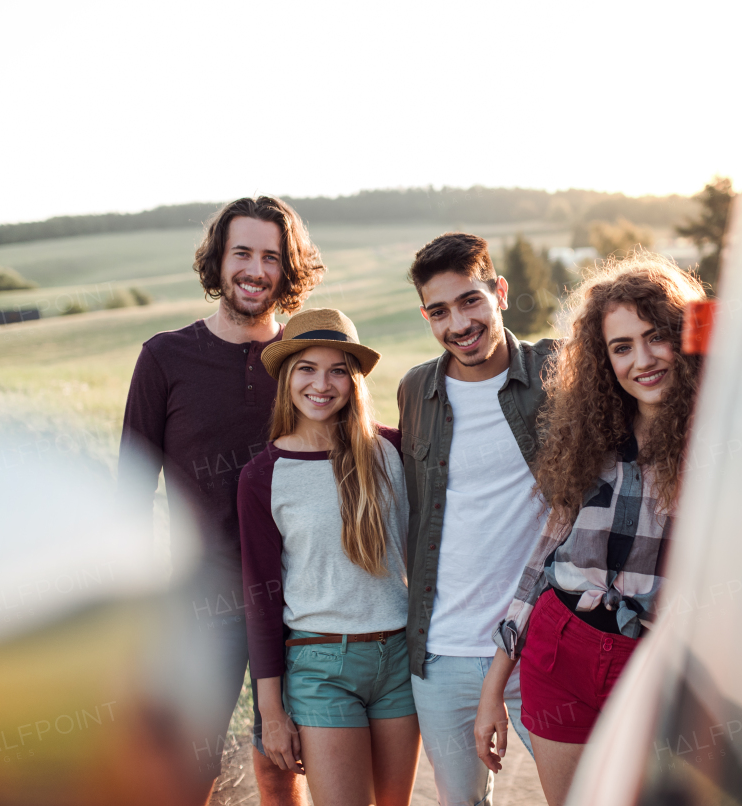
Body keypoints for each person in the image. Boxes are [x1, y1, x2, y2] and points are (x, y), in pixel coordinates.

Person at [474, 252, 706, 805]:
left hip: (654, 667)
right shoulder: (592, 436)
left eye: (656, 338)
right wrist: (492, 689)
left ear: (684, 338)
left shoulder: (724, 438)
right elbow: (543, 557)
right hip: (559, 655)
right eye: (621, 347)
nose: (642, 360)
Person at [119, 196, 323, 805]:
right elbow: (130, 492)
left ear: (288, 270)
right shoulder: (164, 357)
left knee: (281, 764)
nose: (256, 270)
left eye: (271, 256)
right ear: (218, 259)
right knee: (185, 771)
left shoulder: (305, 362)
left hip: (299, 595)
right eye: (243, 253)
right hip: (196, 601)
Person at [397, 232, 557, 805]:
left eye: (470, 301)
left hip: (542, 647)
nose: (459, 324)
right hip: (444, 653)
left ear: (500, 293)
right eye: (439, 311)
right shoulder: (417, 390)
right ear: (426, 317)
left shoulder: (556, 373)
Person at [238, 308, 420, 806]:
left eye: (338, 369)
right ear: (286, 379)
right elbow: (260, 597)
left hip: (399, 659)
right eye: (307, 369)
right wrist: (271, 712)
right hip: (320, 665)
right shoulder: (263, 476)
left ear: (354, 379)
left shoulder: (393, 451)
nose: (322, 384)